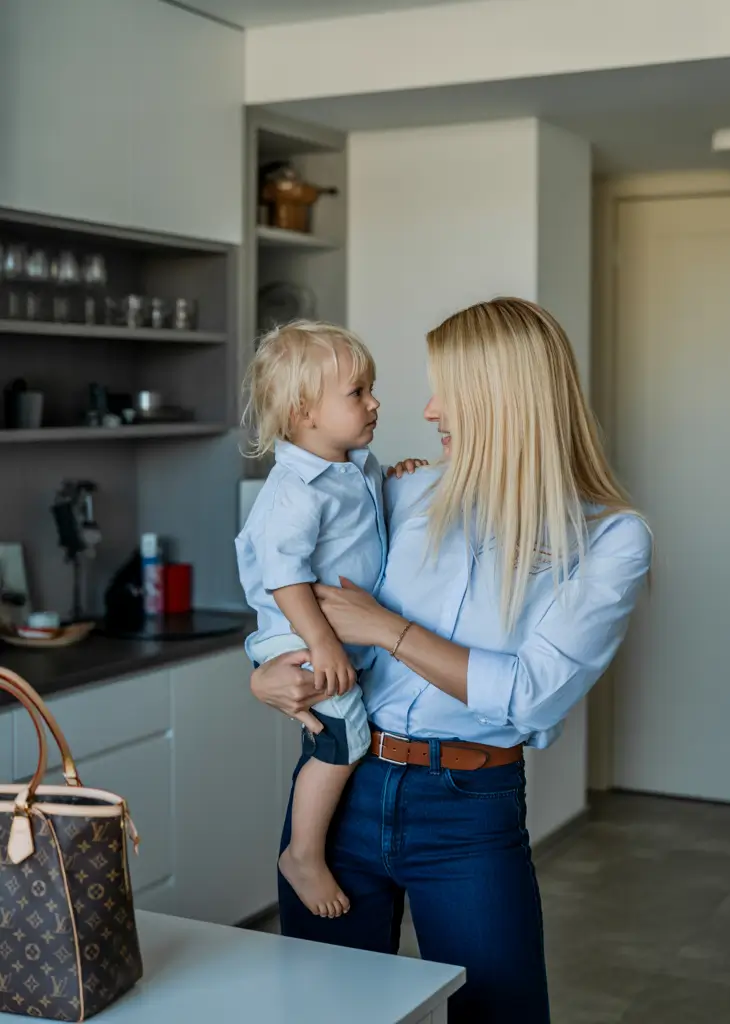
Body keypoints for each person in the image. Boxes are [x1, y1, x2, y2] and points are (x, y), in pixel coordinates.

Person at [251, 297, 652, 1023]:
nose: (429, 409)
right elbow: (288, 572)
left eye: (449, 391)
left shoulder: (610, 538)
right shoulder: (398, 490)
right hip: (348, 787)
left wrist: (389, 629)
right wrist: (265, 672)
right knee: (324, 1013)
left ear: (504, 400)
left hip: (468, 812)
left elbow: (532, 697)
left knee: (501, 1013)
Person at [236, 320, 386, 920]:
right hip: (296, 631)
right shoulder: (296, 488)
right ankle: (303, 854)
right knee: (346, 737)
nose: (375, 402)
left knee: (344, 727)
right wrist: (322, 644)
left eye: (372, 388)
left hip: (328, 631)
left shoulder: (357, 467)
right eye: (357, 393)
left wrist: (395, 478)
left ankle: (307, 846)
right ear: (304, 411)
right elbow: (284, 577)